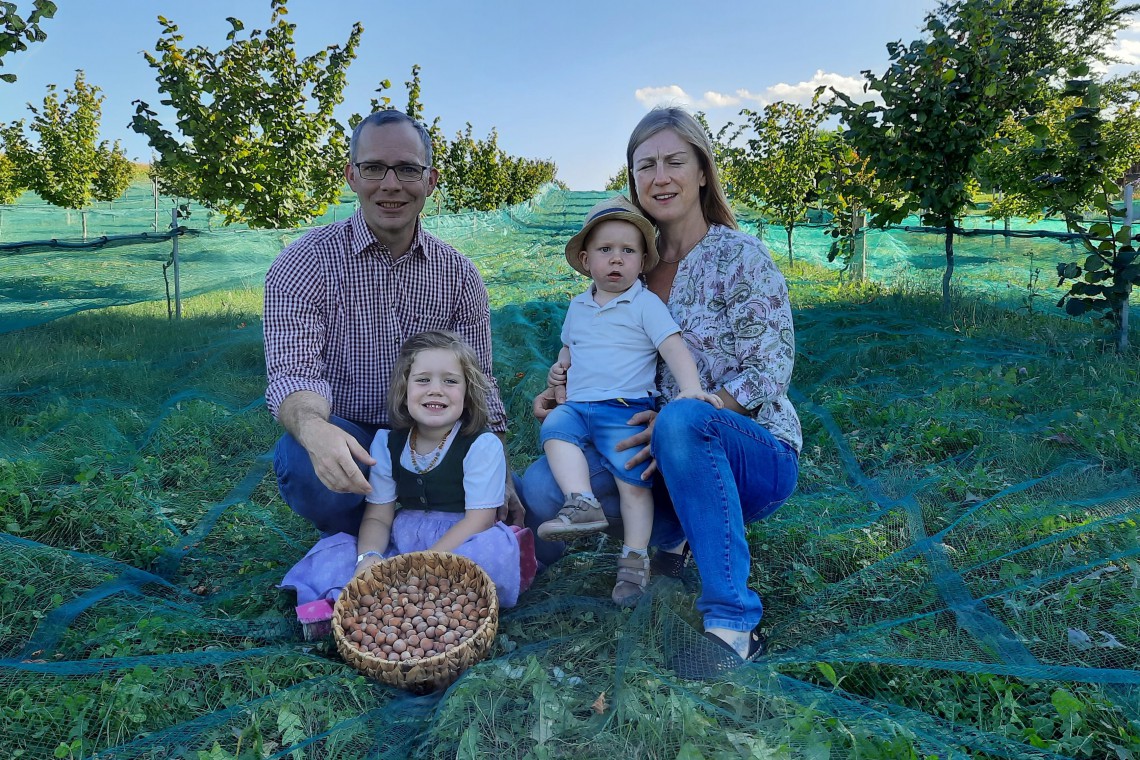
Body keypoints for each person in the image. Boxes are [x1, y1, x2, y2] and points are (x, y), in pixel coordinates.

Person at [520, 107, 801, 678]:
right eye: (645, 165)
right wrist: (564, 392)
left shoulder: (739, 256)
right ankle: (672, 534)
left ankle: (733, 626)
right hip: (648, 442)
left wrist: (699, 410)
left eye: (675, 161)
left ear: (703, 171)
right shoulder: (628, 269)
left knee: (680, 421)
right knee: (543, 487)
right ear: (632, 180)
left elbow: (771, 367)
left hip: (753, 453)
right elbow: (603, 358)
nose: (660, 176)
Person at [263, 109, 522, 541]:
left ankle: (421, 523)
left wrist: (501, 469)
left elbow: (479, 382)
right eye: (373, 168)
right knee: (302, 457)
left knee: (501, 497)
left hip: (435, 436)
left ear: (430, 181)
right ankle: (352, 534)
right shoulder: (304, 263)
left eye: (407, 169)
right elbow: (295, 373)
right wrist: (314, 429)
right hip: (354, 432)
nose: (390, 184)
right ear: (351, 175)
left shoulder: (458, 275)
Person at [534, 195, 722, 607]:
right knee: (554, 428)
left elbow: (672, 347)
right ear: (586, 260)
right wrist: (557, 373)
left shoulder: (644, 304)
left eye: (628, 251)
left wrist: (690, 388)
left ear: (641, 262)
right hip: (579, 407)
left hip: (623, 407)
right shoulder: (578, 306)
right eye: (605, 250)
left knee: (631, 484)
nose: (616, 260)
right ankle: (580, 501)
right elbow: (570, 349)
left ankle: (634, 566)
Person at [282, 331, 533, 611]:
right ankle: (346, 606)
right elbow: (378, 516)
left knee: (489, 556)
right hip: (405, 541)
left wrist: (424, 563)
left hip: (461, 541)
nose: (435, 389)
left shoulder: (481, 445)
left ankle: (428, 607)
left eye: (450, 381)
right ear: (405, 389)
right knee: (341, 553)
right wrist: (370, 556)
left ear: (467, 392)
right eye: (423, 380)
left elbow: (480, 521)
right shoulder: (387, 444)